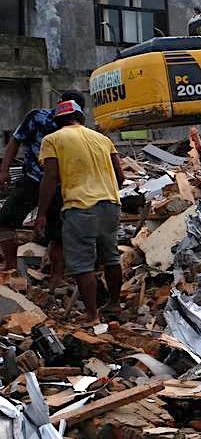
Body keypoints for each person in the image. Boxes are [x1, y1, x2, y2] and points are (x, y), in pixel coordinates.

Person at [35, 99, 124, 323]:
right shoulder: (102, 139)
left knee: (82, 265)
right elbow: (120, 176)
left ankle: (92, 315)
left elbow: (51, 177)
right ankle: (115, 305)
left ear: (58, 122)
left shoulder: (52, 140)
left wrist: (41, 214)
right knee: (111, 258)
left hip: (80, 207)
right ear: (81, 118)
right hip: (111, 205)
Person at [0, 90, 85, 284]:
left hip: (59, 186)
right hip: (33, 179)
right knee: (6, 220)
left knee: (58, 232)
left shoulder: (77, 129)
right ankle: (12, 268)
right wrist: (4, 170)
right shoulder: (37, 118)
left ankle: (56, 276)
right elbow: (15, 140)